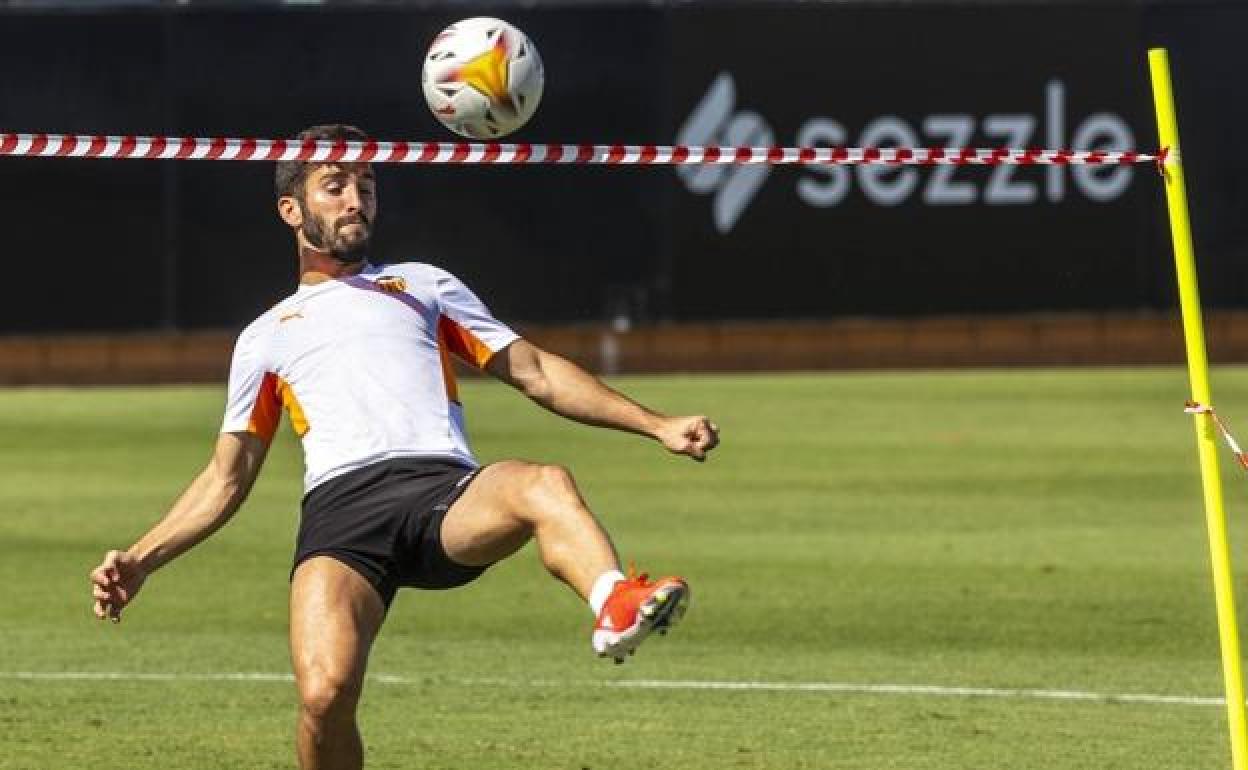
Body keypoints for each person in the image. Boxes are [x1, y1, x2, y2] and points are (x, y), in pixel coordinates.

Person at [88, 124, 719, 770]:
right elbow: (227, 477)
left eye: (366, 184)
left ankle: (612, 600)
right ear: (291, 209)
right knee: (324, 694)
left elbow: (535, 372)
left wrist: (657, 424)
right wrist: (141, 559)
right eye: (334, 186)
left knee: (543, 483)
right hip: (342, 517)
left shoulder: (424, 286)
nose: (355, 199)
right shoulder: (264, 337)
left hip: (442, 494)